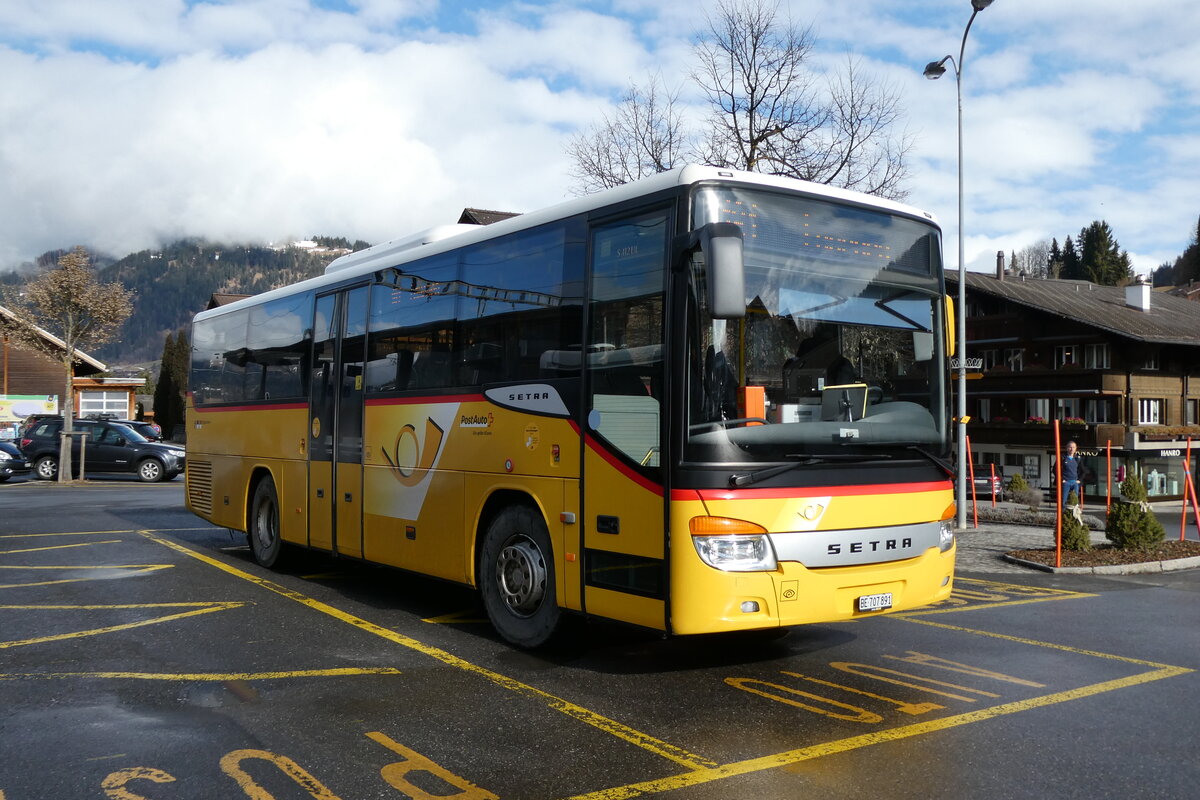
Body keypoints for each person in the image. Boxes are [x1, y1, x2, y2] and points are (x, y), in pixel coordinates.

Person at [1060, 440, 1081, 506]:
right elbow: (1055, 469)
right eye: (1070, 447)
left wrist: (1079, 480)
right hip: (1066, 482)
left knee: (1075, 501)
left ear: (1076, 448)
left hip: (1075, 482)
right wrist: (1061, 479)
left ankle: (1074, 515)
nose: (1072, 449)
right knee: (1064, 501)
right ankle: (1063, 514)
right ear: (1067, 448)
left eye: (1073, 447)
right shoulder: (1062, 458)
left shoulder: (1077, 459)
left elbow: (1082, 470)